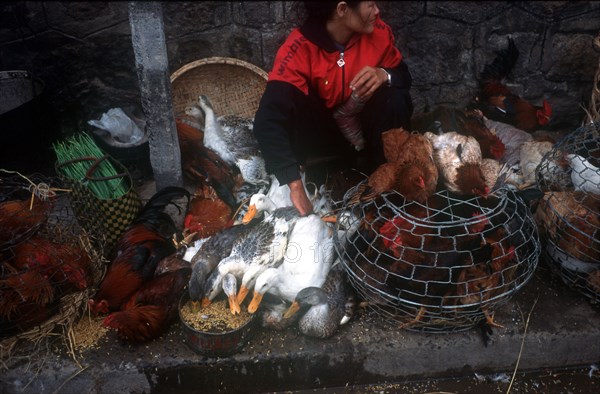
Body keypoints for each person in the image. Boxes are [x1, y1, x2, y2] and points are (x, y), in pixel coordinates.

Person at [253, 1, 413, 216]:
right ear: (342, 9)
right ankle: (315, 179)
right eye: (370, 5)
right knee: (291, 102)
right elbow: (267, 121)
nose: (377, 11)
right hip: (320, 139)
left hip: (364, 134)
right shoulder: (299, 48)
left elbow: (404, 76)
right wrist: (294, 184)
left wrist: (385, 74)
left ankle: (386, 183)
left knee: (395, 97)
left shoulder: (379, 33)